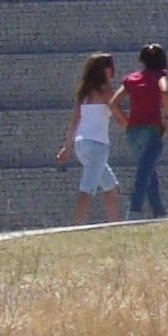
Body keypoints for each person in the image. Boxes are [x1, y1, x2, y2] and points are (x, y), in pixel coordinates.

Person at [54, 52, 123, 223]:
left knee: (111, 187)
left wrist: (67, 147)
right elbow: (118, 114)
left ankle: (116, 224)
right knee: (87, 189)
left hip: (82, 144)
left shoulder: (83, 93)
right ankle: (75, 227)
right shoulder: (105, 91)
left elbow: (75, 121)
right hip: (97, 145)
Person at [120, 44, 168, 218]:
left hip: (133, 131)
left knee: (149, 172)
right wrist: (167, 118)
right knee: (144, 173)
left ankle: (159, 212)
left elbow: (113, 102)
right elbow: (165, 91)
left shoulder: (132, 79)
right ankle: (134, 211)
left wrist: (125, 121)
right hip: (152, 129)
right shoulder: (160, 76)